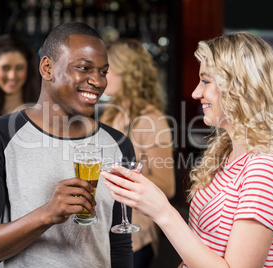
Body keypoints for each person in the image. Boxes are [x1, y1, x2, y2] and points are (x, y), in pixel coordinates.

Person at [101, 31, 273, 268]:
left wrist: (163, 212)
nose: (196, 93)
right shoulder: (226, 156)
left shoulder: (265, 168)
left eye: (206, 81)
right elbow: (203, 252)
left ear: (240, 87)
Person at [0, 22, 135, 267]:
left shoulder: (119, 144)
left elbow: (119, 243)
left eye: (103, 72)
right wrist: (47, 214)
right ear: (47, 68)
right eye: (84, 68)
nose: (97, 81)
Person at [99, 38, 175, 267]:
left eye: (107, 69)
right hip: (107, 232)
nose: (101, 76)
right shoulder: (111, 115)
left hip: (136, 236)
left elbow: (167, 186)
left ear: (127, 71)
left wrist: (123, 176)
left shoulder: (150, 119)